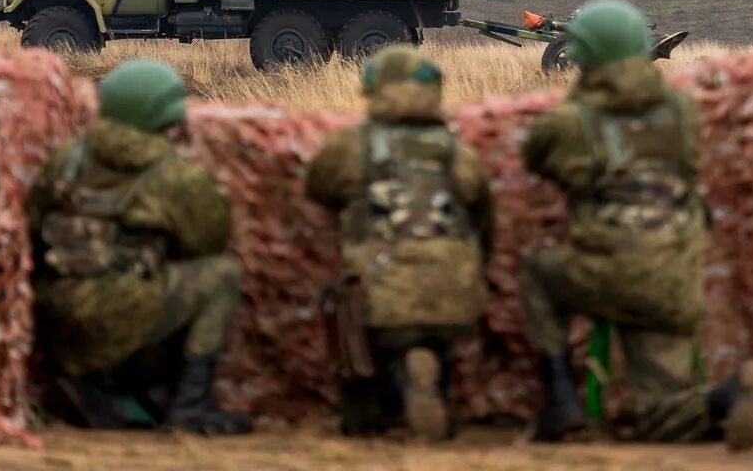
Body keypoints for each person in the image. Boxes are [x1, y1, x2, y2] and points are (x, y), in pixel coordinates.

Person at [519, 0, 753, 449]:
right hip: (673, 280)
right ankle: (728, 398)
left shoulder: (571, 120)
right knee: (664, 418)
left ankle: (560, 402)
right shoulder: (681, 113)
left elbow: (536, 155)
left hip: (606, 274)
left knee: (537, 271)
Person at [26, 60, 252, 435]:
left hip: (57, 317)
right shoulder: (174, 176)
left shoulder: (66, 160)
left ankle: (102, 386)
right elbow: (208, 240)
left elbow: (33, 222)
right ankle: (190, 406)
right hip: (121, 313)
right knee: (220, 276)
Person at [305, 45, 492, 440]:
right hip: (453, 296)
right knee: (439, 333)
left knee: (341, 303)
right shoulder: (459, 151)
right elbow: (484, 218)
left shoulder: (349, 146)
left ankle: (365, 411)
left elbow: (317, 190)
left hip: (380, 291)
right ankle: (432, 380)